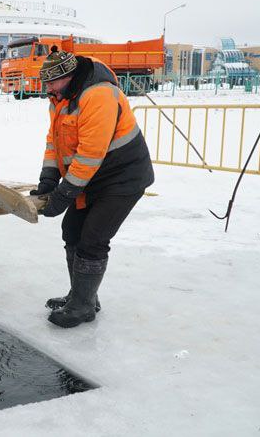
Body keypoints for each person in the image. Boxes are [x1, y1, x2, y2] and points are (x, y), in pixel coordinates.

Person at [31, 51, 154, 328]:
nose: (47, 89)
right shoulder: (60, 99)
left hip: (122, 178)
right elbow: (55, 141)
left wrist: (63, 195)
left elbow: (90, 154)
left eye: (53, 83)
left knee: (93, 240)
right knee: (71, 231)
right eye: (46, 83)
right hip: (91, 178)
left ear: (70, 76)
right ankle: (81, 296)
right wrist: (49, 178)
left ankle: (83, 307)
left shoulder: (98, 96)